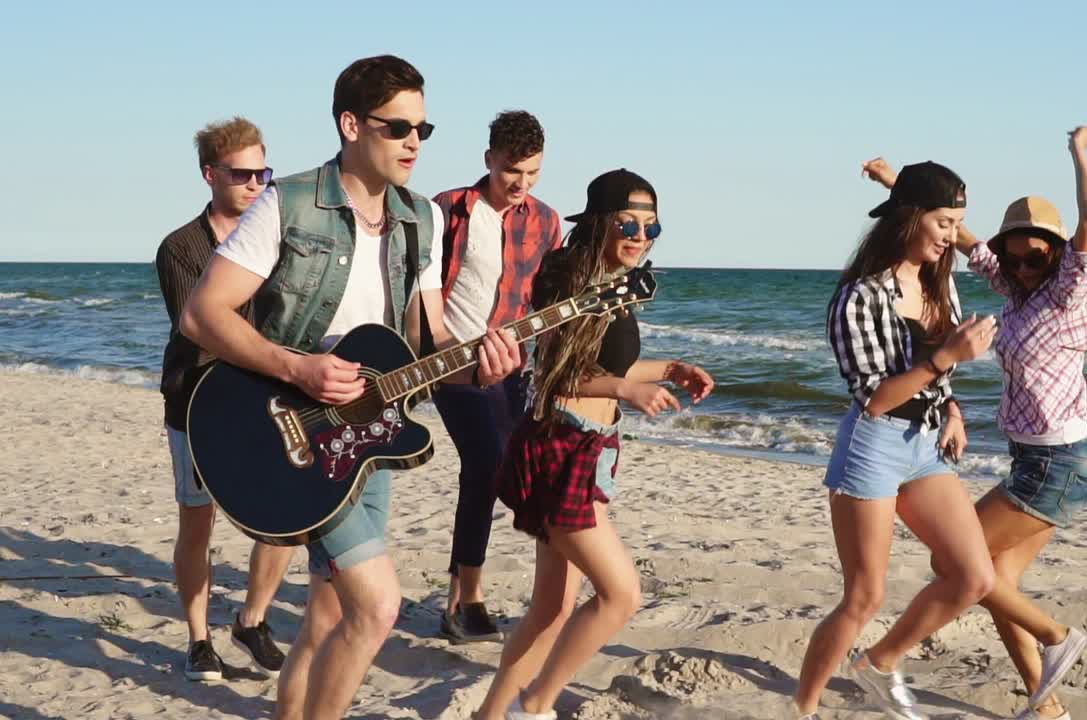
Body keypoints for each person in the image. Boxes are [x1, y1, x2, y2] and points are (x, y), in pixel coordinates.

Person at [179, 55, 521, 720]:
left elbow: (430, 341)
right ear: (350, 125)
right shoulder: (291, 204)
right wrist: (296, 367)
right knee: (379, 606)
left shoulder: (421, 218)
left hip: (370, 434)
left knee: (328, 617)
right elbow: (202, 314)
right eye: (398, 128)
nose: (415, 143)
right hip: (292, 428)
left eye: (423, 129)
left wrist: (480, 363)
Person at [862, 126, 1087, 720]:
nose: (1020, 265)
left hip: (1058, 464)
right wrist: (903, 189)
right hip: (1035, 459)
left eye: (1034, 255)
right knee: (994, 581)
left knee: (957, 565)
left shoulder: (1070, 291)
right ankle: (1046, 708)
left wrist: (1078, 153)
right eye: (1014, 254)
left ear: (1056, 251)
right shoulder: (1017, 291)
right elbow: (972, 246)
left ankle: (1054, 636)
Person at [474, 169, 715, 720]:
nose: (640, 235)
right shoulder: (567, 283)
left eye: (652, 228)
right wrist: (626, 388)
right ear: (602, 222)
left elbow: (608, 365)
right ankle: (534, 705)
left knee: (551, 610)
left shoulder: (615, 284)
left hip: (588, 447)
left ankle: (490, 716)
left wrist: (671, 369)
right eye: (629, 222)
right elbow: (554, 377)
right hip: (560, 446)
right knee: (621, 594)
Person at [795, 161, 999, 720]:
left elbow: (938, 379)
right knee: (864, 597)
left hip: (927, 444)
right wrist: (946, 358)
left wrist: (953, 406)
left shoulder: (941, 282)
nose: (951, 234)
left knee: (975, 576)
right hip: (874, 445)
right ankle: (803, 707)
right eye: (942, 221)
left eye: (957, 222)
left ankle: (878, 664)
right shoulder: (858, 298)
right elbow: (876, 397)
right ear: (909, 219)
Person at [155, 116, 293, 682]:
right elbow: (203, 330)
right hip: (196, 403)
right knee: (198, 523)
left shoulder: (281, 238)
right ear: (210, 174)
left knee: (287, 518)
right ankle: (198, 640)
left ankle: (252, 619)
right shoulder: (181, 248)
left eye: (264, 172)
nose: (256, 184)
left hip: (271, 400)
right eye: (242, 174)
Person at [431, 110, 563, 643]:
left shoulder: (547, 221)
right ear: (489, 160)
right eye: (512, 171)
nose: (522, 184)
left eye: (532, 173)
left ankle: (455, 596)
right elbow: (416, 286)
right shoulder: (448, 210)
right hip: (449, 365)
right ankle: (470, 598)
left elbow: (551, 301)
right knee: (484, 462)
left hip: (513, 370)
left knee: (508, 471)